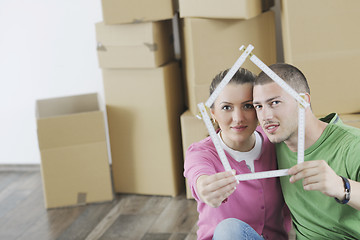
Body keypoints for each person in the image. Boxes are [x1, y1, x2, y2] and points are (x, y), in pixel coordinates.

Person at [253, 63, 360, 239]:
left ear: (303, 100)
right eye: (259, 106)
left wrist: (342, 187)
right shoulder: (270, 141)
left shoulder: (352, 144)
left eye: (275, 103)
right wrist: (201, 180)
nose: (266, 116)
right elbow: (213, 143)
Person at [184, 68, 291, 240]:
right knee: (229, 230)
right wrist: (204, 187)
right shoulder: (201, 153)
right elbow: (198, 175)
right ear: (213, 113)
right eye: (226, 107)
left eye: (248, 106)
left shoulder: (275, 141)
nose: (238, 118)